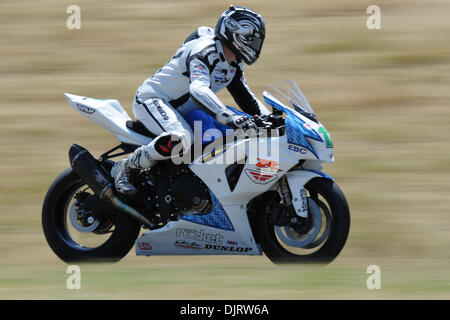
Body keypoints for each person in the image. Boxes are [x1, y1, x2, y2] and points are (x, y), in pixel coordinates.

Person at [112, 5, 270, 195]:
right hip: (153, 100)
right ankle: (126, 166)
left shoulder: (233, 64)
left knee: (235, 137)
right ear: (237, 36)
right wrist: (227, 116)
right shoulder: (205, 51)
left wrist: (273, 118)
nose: (255, 46)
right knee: (181, 138)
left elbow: (247, 100)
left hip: (183, 110)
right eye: (252, 40)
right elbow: (198, 88)